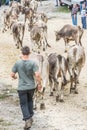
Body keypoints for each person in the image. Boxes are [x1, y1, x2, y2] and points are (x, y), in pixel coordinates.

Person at [11, 46, 42, 130]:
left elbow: (12, 74)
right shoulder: (33, 63)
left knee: (23, 104)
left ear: (21, 53)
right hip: (31, 86)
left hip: (22, 87)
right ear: (29, 53)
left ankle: (27, 119)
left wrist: (14, 77)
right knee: (30, 101)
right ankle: (30, 117)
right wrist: (39, 84)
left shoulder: (18, 63)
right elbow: (37, 75)